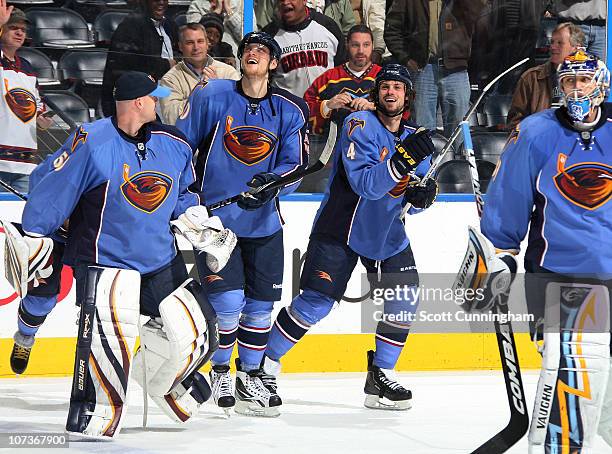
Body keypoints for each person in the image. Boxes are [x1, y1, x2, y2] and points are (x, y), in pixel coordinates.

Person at [8, 71, 229, 438]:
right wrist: (34, 233)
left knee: (200, 329)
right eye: (153, 97)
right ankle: (95, 414)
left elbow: (184, 191)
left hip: (159, 256)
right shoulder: (92, 143)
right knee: (108, 340)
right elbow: (52, 188)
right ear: (138, 102)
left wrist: (196, 218)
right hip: (104, 261)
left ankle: (163, 383)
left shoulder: (173, 142)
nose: (158, 102)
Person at [262, 64, 437, 411]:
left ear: (408, 96)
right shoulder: (360, 126)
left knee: (405, 297)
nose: (390, 93)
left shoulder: (417, 140)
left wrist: (423, 196)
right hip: (341, 228)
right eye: (384, 86)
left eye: (398, 88)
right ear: (376, 94)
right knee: (316, 303)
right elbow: (367, 186)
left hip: (387, 233)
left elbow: (410, 201)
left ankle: (380, 376)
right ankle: (262, 368)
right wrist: (402, 163)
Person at [472, 51, 612, 452]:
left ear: (600, 85)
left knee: (601, 387)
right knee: (578, 369)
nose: (576, 89)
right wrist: (500, 250)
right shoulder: (535, 132)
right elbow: (511, 199)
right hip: (560, 273)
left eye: (584, 81)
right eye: (569, 81)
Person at [176, 31, 309, 417]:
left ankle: (249, 376)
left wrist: (274, 185)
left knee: (260, 307)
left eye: (262, 51)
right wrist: (187, 201)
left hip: (265, 224)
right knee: (229, 303)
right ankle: (219, 370)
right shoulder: (211, 96)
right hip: (217, 225)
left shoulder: (290, 109)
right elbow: (182, 147)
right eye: (248, 49)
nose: (253, 53)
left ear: (272, 64)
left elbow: (295, 165)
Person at [384, 0, 486, 138]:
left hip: (457, 70)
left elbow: (482, 17)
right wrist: (406, 58)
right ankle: (425, 160)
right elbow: (392, 30)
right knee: (422, 127)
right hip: (423, 69)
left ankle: (460, 159)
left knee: (460, 128)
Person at [0, 6, 52, 193]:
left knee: (20, 220)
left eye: (23, 29)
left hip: (25, 162)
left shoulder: (28, 68)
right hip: (0, 163)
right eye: (14, 27)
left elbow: (38, 106)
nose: (20, 32)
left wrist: (42, 119)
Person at [101, 0, 178, 116]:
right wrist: (166, 65)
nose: (161, 2)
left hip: (167, 94)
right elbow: (129, 63)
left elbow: (180, 50)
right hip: (138, 100)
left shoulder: (169, 25)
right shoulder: (131, 25)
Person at [303, 24, 379, 135]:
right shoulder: (330, 78)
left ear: (373, 46)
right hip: (338, 146)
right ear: (347, 46)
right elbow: (304, 108)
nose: (361, 51)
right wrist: (327, 105)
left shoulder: (383, 76)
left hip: (378, 145)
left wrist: (375, 107)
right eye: (355, 45)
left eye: (366, 45)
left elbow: (402, 110)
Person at [507, 22, 584, 130]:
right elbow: (515, 123)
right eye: (552, 42)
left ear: (576, 49)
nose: (552, 47)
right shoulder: (531, 78)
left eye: (559, 43)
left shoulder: (587, 81)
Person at [263, 0, 347, 98]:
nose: (285, 2)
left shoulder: (328, 26)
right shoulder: (268, 37)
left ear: (304, 1)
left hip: (326, 108)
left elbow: (343, 68)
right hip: (289, 110)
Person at [160, 23, 239, 125]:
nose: (196, 47)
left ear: (207, 44)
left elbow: (238, 110)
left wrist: (217, 89)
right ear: (180, 46)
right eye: (190, 42)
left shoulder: (228, 72)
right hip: (187, 140)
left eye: (200, 41)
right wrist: (201, 93)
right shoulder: (170, 79)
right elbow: (171, 118)